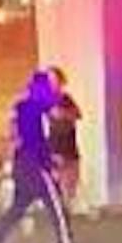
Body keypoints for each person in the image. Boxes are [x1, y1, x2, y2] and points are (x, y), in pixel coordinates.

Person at [0, 69, 74, 243]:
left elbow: (17, 134)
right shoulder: (36, 107)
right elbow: (37, 138)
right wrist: (49, 162)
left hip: (21, 161)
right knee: (55, 201)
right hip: (35, 163)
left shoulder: (21, 106)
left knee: (18, 207)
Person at [45, 67, 89, 218]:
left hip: (69, 144)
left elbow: (78, 114)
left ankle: (65, 208)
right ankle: (59, 211)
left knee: (71, 179)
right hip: (54, 145)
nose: (53, 83)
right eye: (49, 80)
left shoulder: (66, 98)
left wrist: (64, 114)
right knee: (56, 178)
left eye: (55, 80)